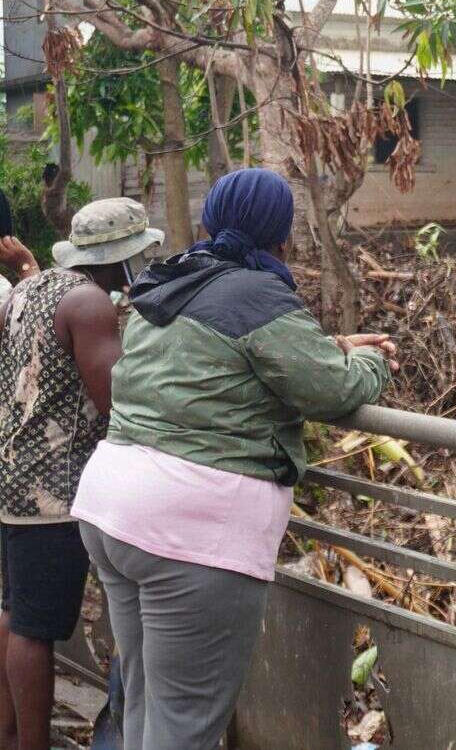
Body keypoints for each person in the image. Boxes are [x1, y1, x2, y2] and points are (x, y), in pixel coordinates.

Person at [71, 169, 397, 750]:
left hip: (110, 508)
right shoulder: (258, 294)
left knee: (145, 699)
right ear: (280, 233)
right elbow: (332, 391)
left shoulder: (169, 283)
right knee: (184, 724)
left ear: (211, 221)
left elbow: (247, 353)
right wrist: (373, 362)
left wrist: (332, 347)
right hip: (187, 532)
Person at [0, 199, 160, 750]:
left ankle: (13, 735)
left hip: (15, 480)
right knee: (34, 629)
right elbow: (117, 401)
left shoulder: (28, 289)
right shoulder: (88, 301)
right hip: (59, 493)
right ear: (122, 258)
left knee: (15, 615)